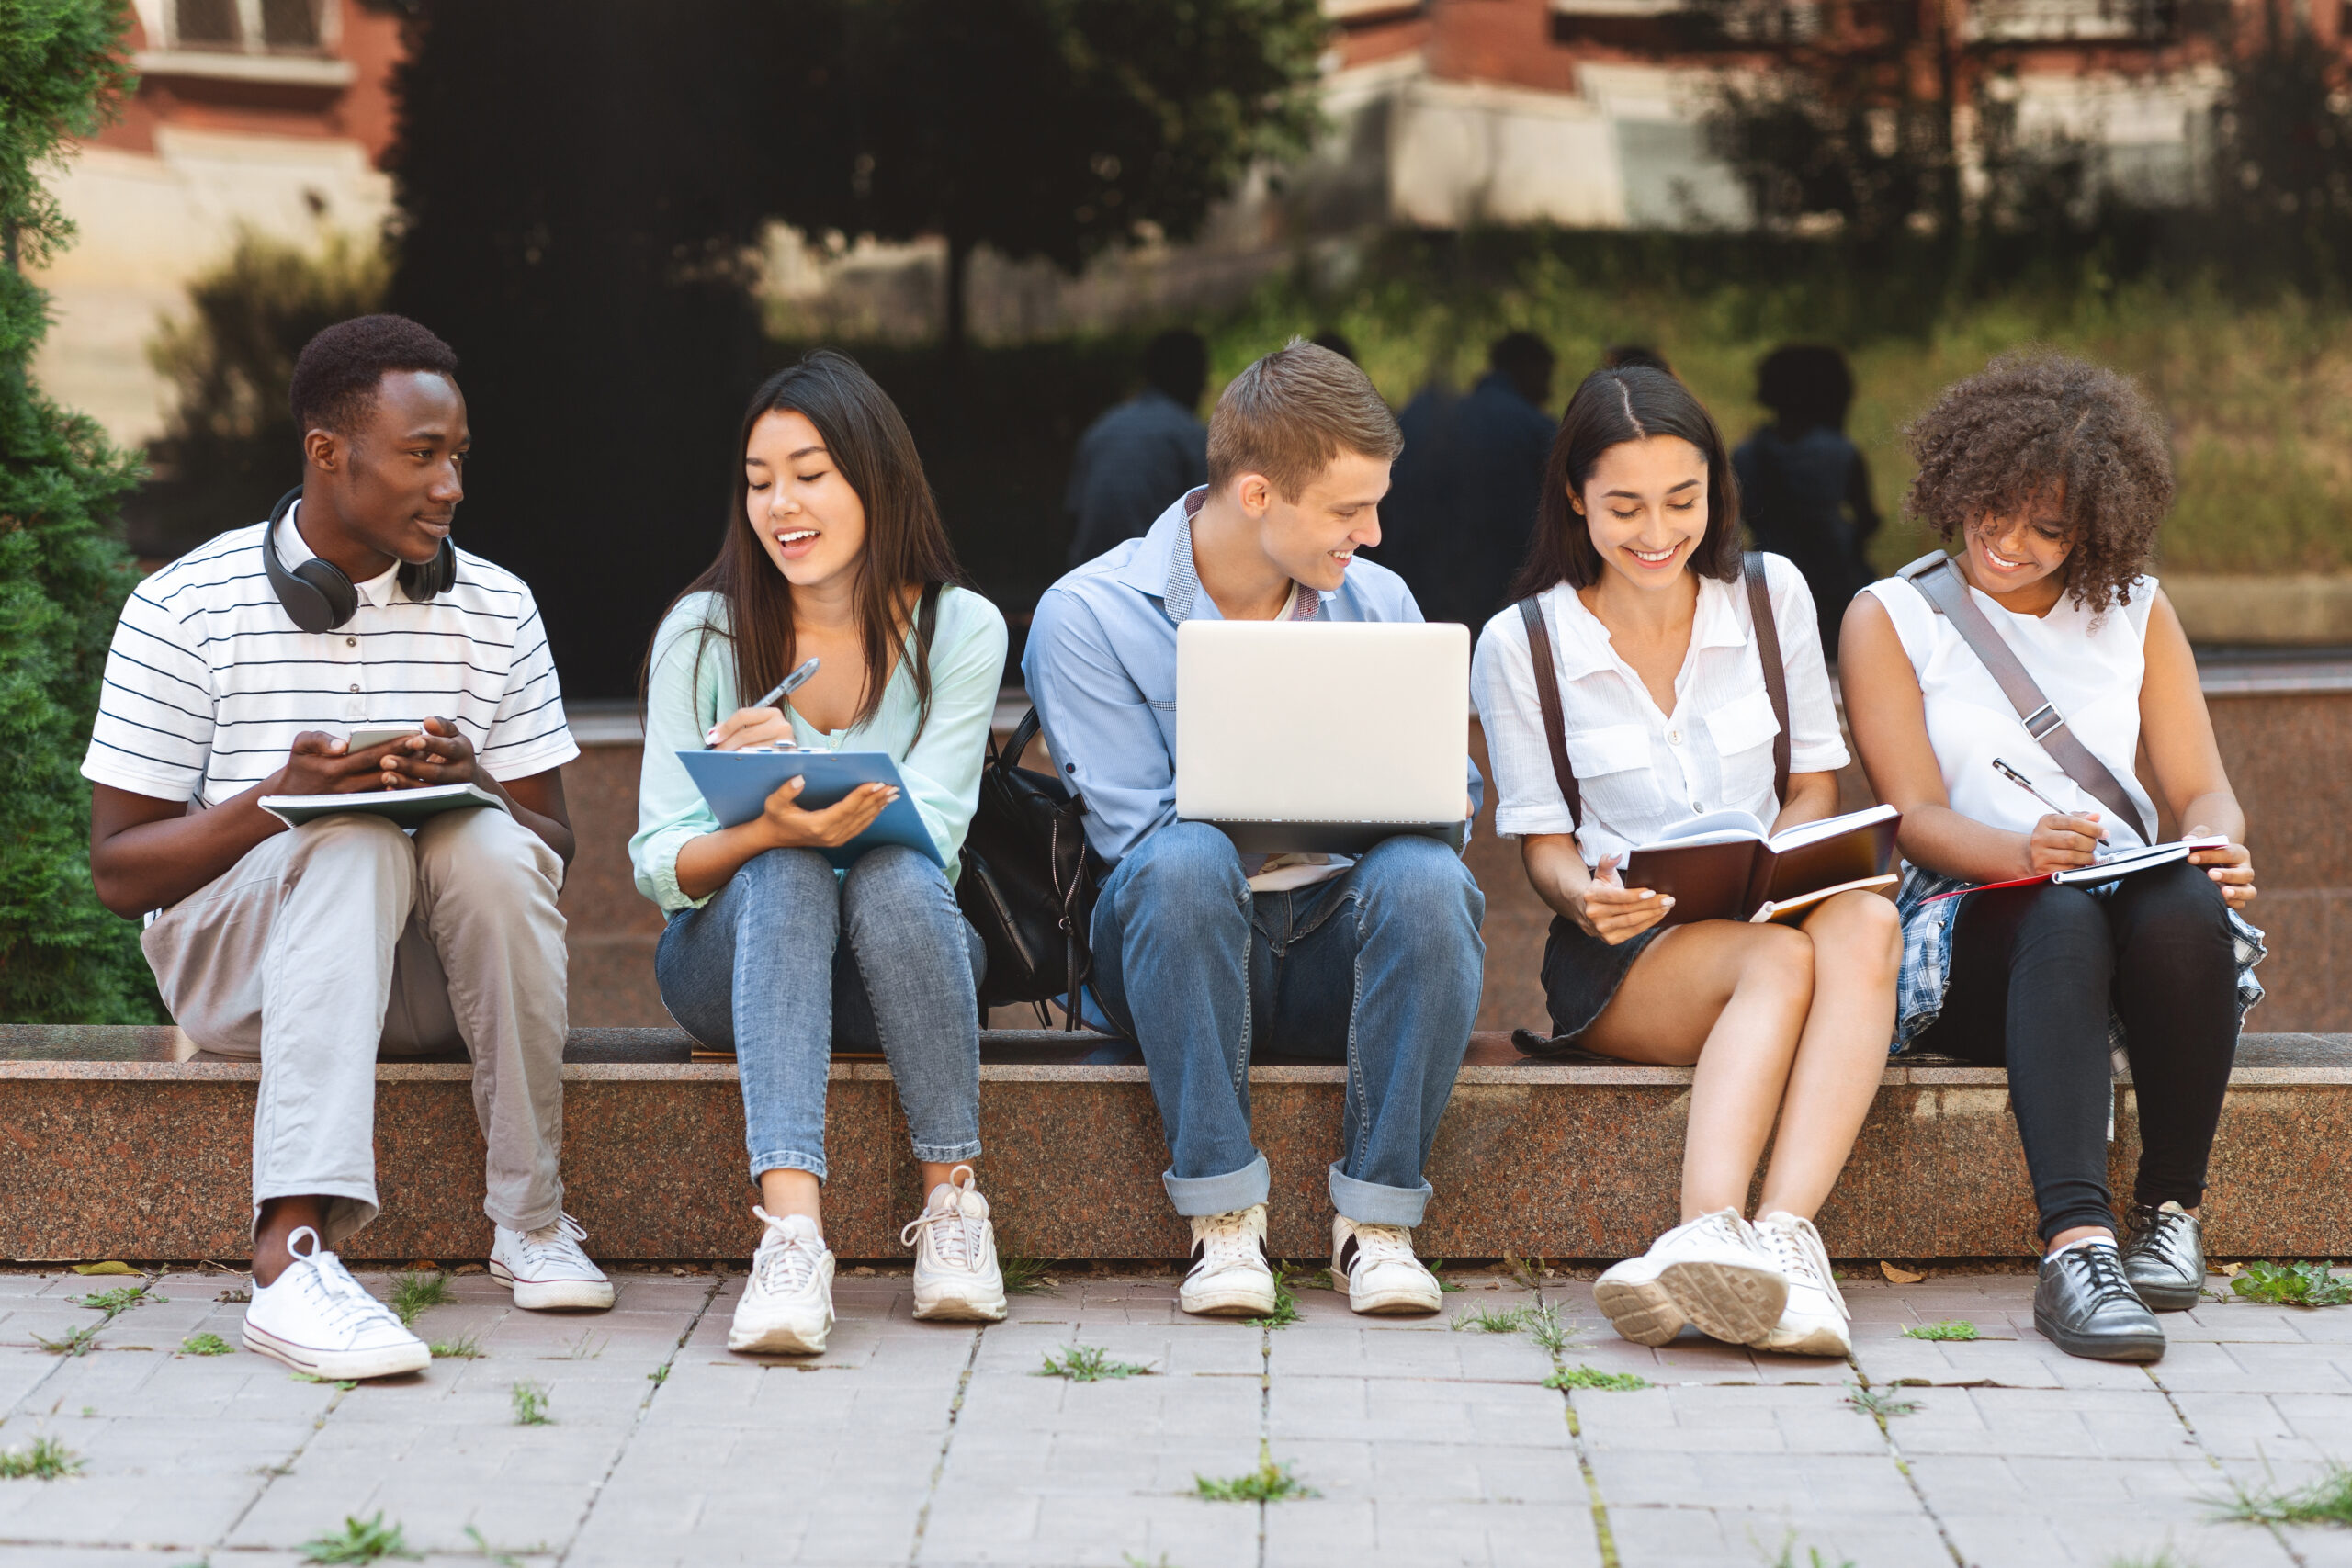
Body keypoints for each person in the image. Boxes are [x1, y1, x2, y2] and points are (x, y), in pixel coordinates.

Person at [83, 314, 608, 1382]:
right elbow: (118, 869)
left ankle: (532, 1221)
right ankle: (292, 1259)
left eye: (458, 455)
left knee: (490, 844)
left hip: (433, 982)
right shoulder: (184, 606)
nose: (452, 484)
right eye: (423, 455)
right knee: (354, 838)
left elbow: (555, 847)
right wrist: (279, 800)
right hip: (245, 981)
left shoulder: (498, 606)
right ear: (328, 452)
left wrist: (475, 789)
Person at [1024, 340, 1486, 1320]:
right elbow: (1133, 835)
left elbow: (1453, 801)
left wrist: (1425, 796)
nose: (1371, 531)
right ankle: (1225, 1223)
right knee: (1183, 859)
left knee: (1428, 879)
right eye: (1347, 509)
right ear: (1256, 494)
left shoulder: (1381, 601)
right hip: (1179, 954)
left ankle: (1378, 1223)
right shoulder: (1089, 615)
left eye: (1376, 502)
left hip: (1332, 947)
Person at [1841, 352, 2264, 1363]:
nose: (2008, 543)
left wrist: (2216, 840)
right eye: (1994, 509)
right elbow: (1912, 819)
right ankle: (2075, 1249)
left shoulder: (2135, 611)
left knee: (2184, 904)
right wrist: (2016, 850)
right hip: (1974, 927)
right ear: (1957, 481)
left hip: (2126, 917)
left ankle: (2170, 1211)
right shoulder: (1892, 617)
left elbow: (2200, 784)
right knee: (2058, 911)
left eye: (2048, 529)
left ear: (2095, 528)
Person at [1471, 365, 1901, 1357]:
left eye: (1683, 501)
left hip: (1766, 912)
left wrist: (1788, 852)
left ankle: (1787, 1242)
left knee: (1868, 921)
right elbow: (1542, 846)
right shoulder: (1521, 642)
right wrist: (1584, 899)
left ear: (1716, 490)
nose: (1657, 532)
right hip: (1628, 958)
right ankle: (1704, 1233)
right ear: (1574, 497)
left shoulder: (1769, 594)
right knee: (1781, 961)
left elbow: (1812, 784)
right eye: (1624, 506)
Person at [634, 350, 1010, 1357]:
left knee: (891, 870)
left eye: (809, 474)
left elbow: (932, 826)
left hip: (905, 959)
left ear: (874, 477)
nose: (780, 505)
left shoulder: (960, 628)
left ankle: (956, 1215)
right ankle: (791, 1237)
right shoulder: (704, 633)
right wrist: (762, 824)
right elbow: (658, 860)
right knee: (787, 868)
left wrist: (797, 769)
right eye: (759, 482)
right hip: (734, 965)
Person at [1734, 344, 1882, 660]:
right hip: (1838, 583)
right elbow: (1868, 518)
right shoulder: (1840, 452)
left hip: (1768, 583)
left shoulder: (1744, 456)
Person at [1419, 332, 1557, 627]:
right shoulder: (1535, 428)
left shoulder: (1440, 421)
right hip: (1510, 579)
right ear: (1524, 367)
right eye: (1545, 374)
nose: (1550, 389)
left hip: (1441, 582)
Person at [1065, 329, 1210, 567]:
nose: (1203, 385)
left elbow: (1073, 516)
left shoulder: (1103, 429)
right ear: (1189, 376)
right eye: (1201, 374)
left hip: (1089, 574)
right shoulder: (1189, 435)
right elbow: (1213, 521)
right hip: (1152, 577)